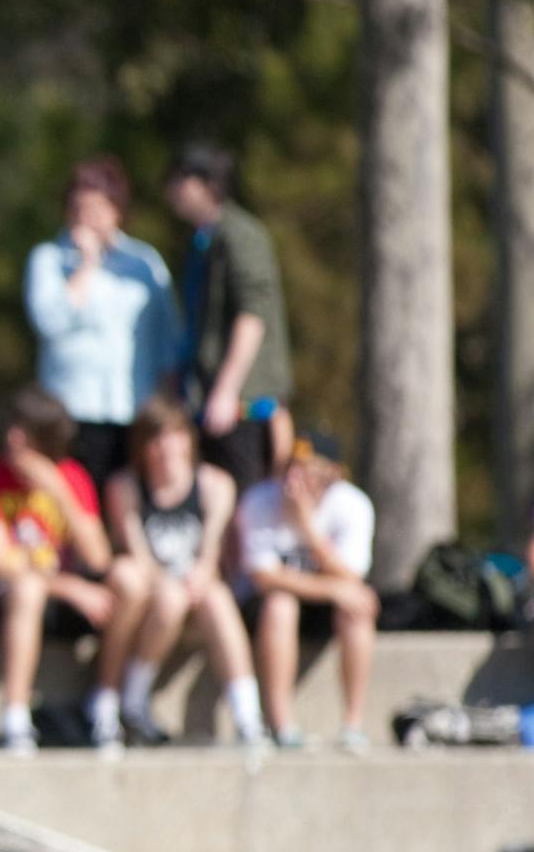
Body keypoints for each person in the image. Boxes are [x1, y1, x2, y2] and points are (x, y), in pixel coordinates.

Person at [0, 387, 138, 754]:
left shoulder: (71, 478)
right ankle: (15, 720)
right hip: (4, 603)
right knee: (28, 588)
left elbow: (98, 559)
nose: (14, 440)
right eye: (12, 428)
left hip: (61, 602)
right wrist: (68, 587)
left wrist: (59, 492)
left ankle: (105, 704)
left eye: (25, 432)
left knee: (129, 580)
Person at [103, 396, 265, 747]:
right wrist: (172, 583)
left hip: (196, 591)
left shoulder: (215, 485)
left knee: (217, 597)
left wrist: (199, 575)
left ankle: (248, 716)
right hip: (153, 597)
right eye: (156, 438)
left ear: (189, 439)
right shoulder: (125, 487)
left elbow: (210, 553)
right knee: (169, 597)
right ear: (143, 446)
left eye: (174, 435)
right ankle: (132, 702)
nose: (166, 447)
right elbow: (138, 555)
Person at [24, 157, 182, 498]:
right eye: (79, 209)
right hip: (72, 407)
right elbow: (48, 322)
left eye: (98, 208)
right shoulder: (48, 259)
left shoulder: (144, 262)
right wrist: (86, 266)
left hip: (132, 406)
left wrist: (169, 399)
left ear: (117, 211)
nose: (88, 218)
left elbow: (168, 336)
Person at [164, 143, 294, 494]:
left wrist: (227, 389)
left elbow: (253, 313)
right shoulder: (202, 239)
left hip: (244, 404)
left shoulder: (241, 235)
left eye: (179, 180)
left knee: (247, 502)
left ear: (205, 183)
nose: (170, 191)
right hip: (208, 399)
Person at [237, 432, 378, 751]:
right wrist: (333, 589)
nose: (295, 481)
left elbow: (352, 577)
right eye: (292, 469)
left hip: (323, 608)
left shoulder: (353, 505)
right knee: (280, 604)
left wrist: (308, 528)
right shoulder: (260, 500)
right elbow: (263, 577)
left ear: (334, 475)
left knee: (358, 608)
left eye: (308, 472)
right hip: (268, 610)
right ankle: (282, 724)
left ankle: (353, 724)